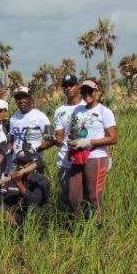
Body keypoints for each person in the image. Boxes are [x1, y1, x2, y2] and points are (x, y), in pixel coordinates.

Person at [67, 80, 117, 222]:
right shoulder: (78, 110)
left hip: (96, 156)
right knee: (74, 197)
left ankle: (100, 230)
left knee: (94, 196)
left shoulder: (104, 111)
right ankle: (78, 229)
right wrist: (73, 141)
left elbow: (113, 138)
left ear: (97, 92)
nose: (87, 95)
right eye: (84, 92)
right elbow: (74, 131)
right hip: (78, 156)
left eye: (90, 91)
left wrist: (89, 142)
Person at [52, 74, 85, 211]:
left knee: (86, 196)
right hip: (65, 161)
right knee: (67, 197)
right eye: (65, 86)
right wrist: (53, 140)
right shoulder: (60, 111)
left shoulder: (87, 106)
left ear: (78, 86)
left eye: (71, 85)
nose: (68, 88)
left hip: (85, 159)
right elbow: (60, 137)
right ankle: (69, 227)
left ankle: (89, 226)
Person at [2, 149, 50, 227]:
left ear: (33, 164)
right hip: (18, 214)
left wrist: (19, 183)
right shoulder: (12, 179)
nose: (20, 166)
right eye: (18, 163)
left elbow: (34, 202)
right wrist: (5, 212)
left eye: (24, 163)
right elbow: (3, 197)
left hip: (35, 217)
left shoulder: (41, 181)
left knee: (35, 211)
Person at [8, 86, 52, 164]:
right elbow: (11, 138)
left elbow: (49, 140)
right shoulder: (13, 118)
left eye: (24, 97)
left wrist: (35, 149)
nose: (21, 101)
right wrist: (9, 150)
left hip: (34, 163)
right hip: (17, 163)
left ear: (30, 99)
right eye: (18, 98)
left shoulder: (41, 116)